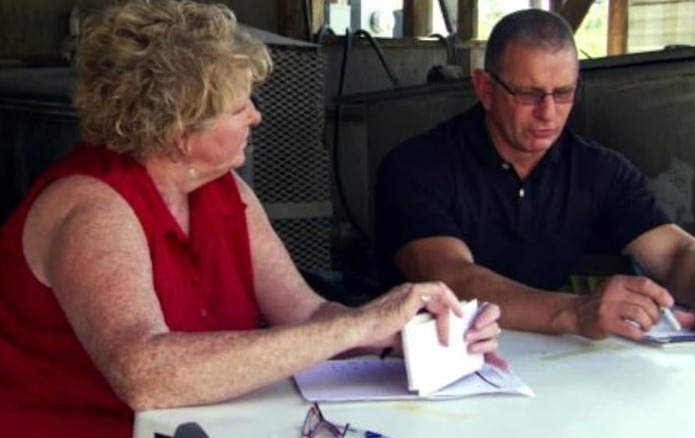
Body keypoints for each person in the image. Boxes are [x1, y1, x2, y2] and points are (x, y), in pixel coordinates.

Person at [0, 1, 506, 437]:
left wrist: (404, 337)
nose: (256, 117)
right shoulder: (92, 207)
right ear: (179, 129)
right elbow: (145, 375)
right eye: (239, 105)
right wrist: (357, 327)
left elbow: (305, 316)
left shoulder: (223, 191)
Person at [375, 9, 695, 356]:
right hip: (419, 366)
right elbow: (452, 278)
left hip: (545, 365)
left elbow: (676, 252)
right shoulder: (416, 166)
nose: (548, 113)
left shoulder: (597, 171)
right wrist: (574, 312)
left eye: (563, 93)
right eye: (528, 94)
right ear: (485, 89)